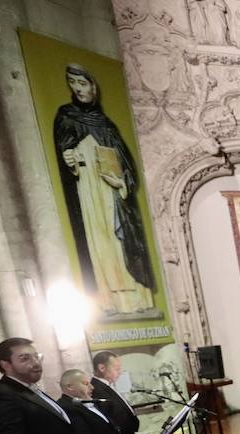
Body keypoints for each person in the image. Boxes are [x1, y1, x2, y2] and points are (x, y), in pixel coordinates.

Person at [54, 63, 156, 316]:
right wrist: (69, 161)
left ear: (93, 86)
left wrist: (121, 183)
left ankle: (135, 297)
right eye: (73, 83)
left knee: (119, 240)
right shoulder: (66, 116)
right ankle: (108, 299)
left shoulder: (107, 125)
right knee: (98, 240)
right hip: (87, 191)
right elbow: (63, 157)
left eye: (82, 83)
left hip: (111, 192)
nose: (78, 89)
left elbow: (126, 163)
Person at [89, 350, 139, 434]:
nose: (120, 372)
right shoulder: (96, 389)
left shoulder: (107, 385)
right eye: (117, 369)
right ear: (102, 368)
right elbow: (109, 417)